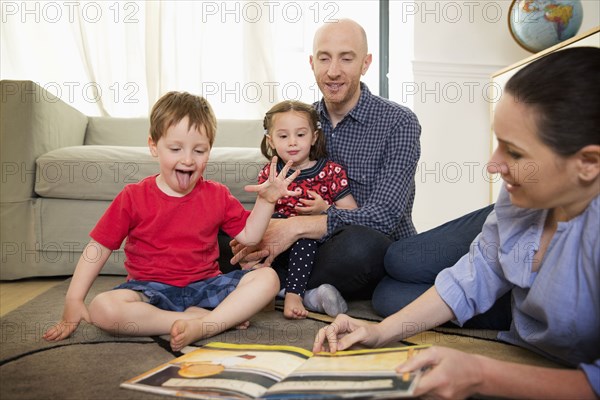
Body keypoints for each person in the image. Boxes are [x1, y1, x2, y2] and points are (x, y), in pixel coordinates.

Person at [313, 47, 600, 400]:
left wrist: (481, 374)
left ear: (588, 163)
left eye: (515, 152)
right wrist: (378, 333)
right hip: (512, 273)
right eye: (498, 144)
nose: (492, 165)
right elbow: (472, 276)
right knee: (393, 283)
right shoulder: (518, 200)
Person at [43, 91, 300, 352]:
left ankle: (205, 324)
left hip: (205, 287)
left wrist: (267, 202)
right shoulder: (133, 197)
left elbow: (250, 237)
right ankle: (200, 320)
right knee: (102, 309)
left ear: (209, 151)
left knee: (268, 278)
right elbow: (98, 248)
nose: (188, 160)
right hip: (149, 292)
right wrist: (74, 298)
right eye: (176, 149)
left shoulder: (217, 195)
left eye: (199, 150)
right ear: (154, 146)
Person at [231, 18, 422, 301]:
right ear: (312, 63)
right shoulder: (299, 122)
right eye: (324, 58)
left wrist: (294, 227)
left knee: (361, 246)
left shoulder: (399, 122)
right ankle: (295, 287)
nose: (333, 71)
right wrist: (265, 229)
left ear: (365, 63)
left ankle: (269, 285)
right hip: (301, 249)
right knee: (223, 238)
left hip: (361, 250)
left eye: (346, 59)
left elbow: (384, 218)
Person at [257, 100, 358, 319]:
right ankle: (305, 295)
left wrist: (325, 209)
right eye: (283, 136)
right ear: (271, 141)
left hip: (316, 248)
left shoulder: (331, 172)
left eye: (300, 135)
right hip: (277, 246)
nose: (292, 143)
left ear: (313, 137)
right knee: (254, 235)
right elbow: (261, 215)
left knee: (304, 239)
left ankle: (293, 294)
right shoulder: (270, 173)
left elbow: (352, 212)